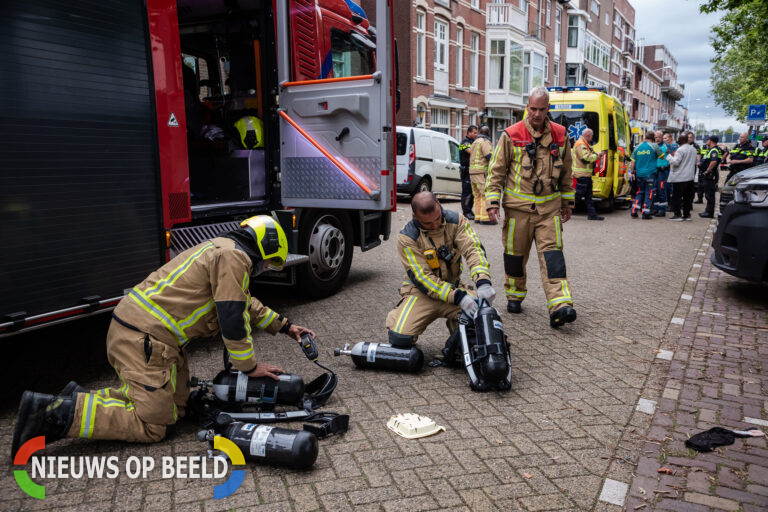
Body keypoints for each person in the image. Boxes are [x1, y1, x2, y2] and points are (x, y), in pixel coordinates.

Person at [12, 216, 315, 458]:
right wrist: (249, 367)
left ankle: (76, 398)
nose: (261, 270)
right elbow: (233, 319)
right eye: (266, 264)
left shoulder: (222, 249)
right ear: (264, 249)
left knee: (177, 408)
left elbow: (246, 303)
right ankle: (51, 414)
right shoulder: (234, 259)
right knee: (154, 424)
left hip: (155, 339)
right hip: (142, 338)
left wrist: (287, 326)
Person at [485, 86, 577, 328]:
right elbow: (496, 171)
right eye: (533, 108)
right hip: (518, 210)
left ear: (548, 109)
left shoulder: (560, 135)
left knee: (553, 257)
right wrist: (492, 202)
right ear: (527, 107)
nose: (537, 114)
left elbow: (567, 171)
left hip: (549, 211)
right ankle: (514, 294)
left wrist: (567, 202)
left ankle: (560, 305)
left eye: (542, 109)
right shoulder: (510, 134)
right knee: (515, 256)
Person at [385, 192, 494, 347]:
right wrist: (459, 298)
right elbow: (423, 278)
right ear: (415, 217)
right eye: (429, 224)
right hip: (421, 293)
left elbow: (473, 249)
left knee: (484, 318)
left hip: (454, 288)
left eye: (438, 218)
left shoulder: (457, 221)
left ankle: (457, 327)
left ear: (439, 206)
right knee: (400, 338)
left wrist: (483, 282)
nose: (436, 225)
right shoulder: (407, 237)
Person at [571, 128, 605, 220]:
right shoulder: (581, 144)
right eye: (591, 136)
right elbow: (585, 158)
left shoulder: (585, 144)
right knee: (578, 195)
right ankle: (564, 209)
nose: (592, 138)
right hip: (581, 174)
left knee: (588, 196)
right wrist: (598, 156)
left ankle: (592, 214)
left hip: (586, 175)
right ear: (588, 136)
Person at [630, 132, 663, 220]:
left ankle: (634, 210)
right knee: (649, 193)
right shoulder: (654, 146)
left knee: (640, 192)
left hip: (639, 174)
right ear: (653, 139)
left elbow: (632, 162)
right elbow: (662, 156)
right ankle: (646, 212)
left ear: (645, 137)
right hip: (650, 173)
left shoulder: (637, 147)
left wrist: (632, 172)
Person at [666, 134, 697, 221]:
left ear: (682, 140)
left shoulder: (680, 150)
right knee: (687, 197)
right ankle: (687, 215)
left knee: (676, 197)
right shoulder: (693, 149)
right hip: (690, 177)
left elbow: (675, 163)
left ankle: (677, 215)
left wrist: (668, 155)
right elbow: (695, 161)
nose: (677, 140)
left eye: (679, 139)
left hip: (680, 177)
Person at [469, 126, 493, 224]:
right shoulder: (485, 141)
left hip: (472, 172)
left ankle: (477, 216)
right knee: (484, 195)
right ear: (488, 133)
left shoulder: (474, 142)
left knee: (477, 196)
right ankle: (485, 218)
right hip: (481, 172)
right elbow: (489, 156)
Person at [698, 136, 723, 218]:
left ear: (710, 141)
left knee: (710, 195)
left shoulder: (714, 150)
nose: (706, 141)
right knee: (708, 194)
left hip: (710, 175)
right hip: (709, 175)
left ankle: (709, 213)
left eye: (707, 140)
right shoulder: (712, 149)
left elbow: (714, 161)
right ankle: (707, 211)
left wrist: (707, 171)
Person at [459, 125, 478, 219]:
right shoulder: (464, 143)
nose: (476, 134)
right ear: (469, 133)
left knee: (472, 192)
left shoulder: (473, 142)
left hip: (471, 171)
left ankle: (470, 210)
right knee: (467, 192)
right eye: (474, 133)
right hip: (466, 171)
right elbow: (470, 151)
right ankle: (466, 212)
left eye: (476, 132)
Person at [652, 131, 671, 217]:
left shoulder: (666, 146)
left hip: (663, 172)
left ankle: (662, 210)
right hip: (654, 171)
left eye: (659, 137)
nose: (657, 139)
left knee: (662, 190)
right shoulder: (653, 146)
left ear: (662, 137)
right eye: (656, 137)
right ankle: (656, 209)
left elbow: (671, 158)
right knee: (655, 191)